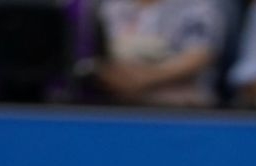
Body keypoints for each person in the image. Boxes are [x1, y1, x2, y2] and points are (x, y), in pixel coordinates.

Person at [89, 0, 225, 105]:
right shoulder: (110, 6)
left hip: (181, 111)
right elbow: (94, 57)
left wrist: (142, 78)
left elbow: (200, 55)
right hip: (115, 107)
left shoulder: (199, 6)